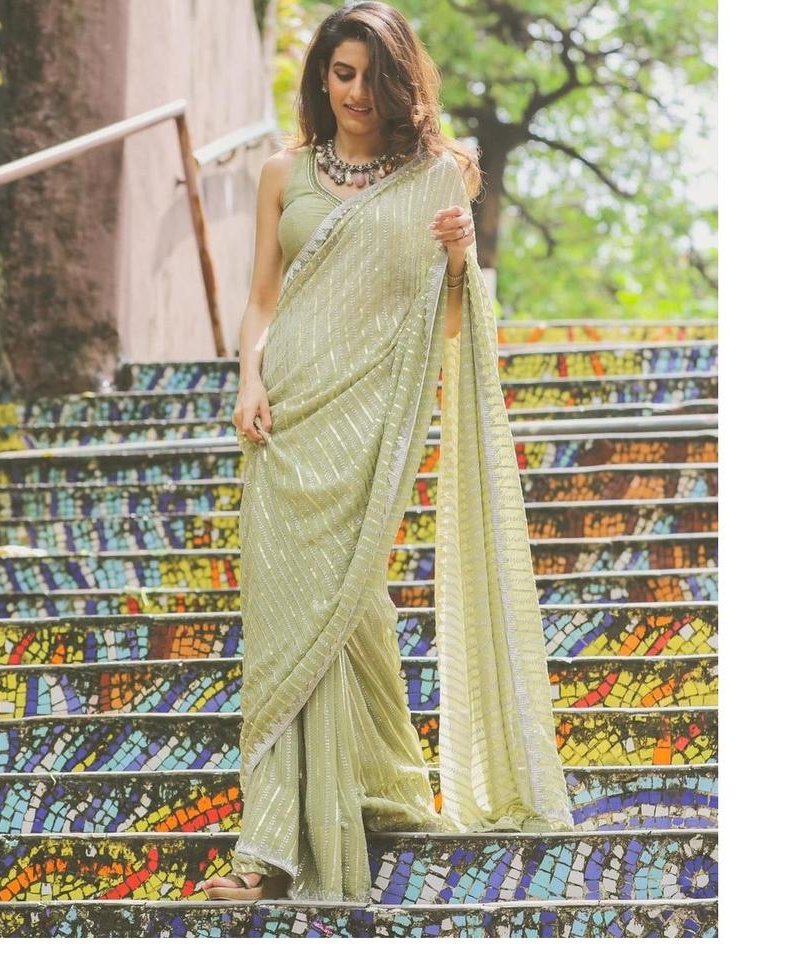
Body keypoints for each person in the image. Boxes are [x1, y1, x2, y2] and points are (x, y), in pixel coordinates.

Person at [200, 0, 574, 903]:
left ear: (401, 82)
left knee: (347, 608)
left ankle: (369, 792)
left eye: (373, 75)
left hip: (368, 423)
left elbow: (444, 324)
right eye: (342, 73)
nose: (356, 92)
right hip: (284, 418)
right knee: (286, 626)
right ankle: (266, 848)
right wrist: (248, 381)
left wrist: (457, 260)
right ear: (320, 77)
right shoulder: (281, 172)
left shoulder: (438, 176)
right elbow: (260, 300)